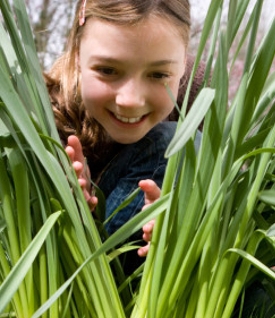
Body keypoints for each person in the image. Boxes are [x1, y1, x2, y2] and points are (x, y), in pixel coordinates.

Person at [45, 0, 206, 261]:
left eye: (157, 75)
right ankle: (96, 278)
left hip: (157, 268)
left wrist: (188, 223)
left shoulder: (199, 93)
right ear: (77, 55)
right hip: (76, 261)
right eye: (108, 70)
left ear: (183, 63)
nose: (130, 100)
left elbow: (232, 191)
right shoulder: (47, 111)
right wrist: (68, 207)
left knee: (182, 142)